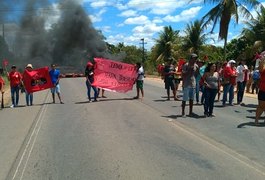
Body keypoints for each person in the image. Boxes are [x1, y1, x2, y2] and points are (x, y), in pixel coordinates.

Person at [255, 58, 265, 125]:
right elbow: (260, 67)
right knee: (261, 106)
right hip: (263, 90)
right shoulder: (263, 69)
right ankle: (256, 120)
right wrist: (263, 58)